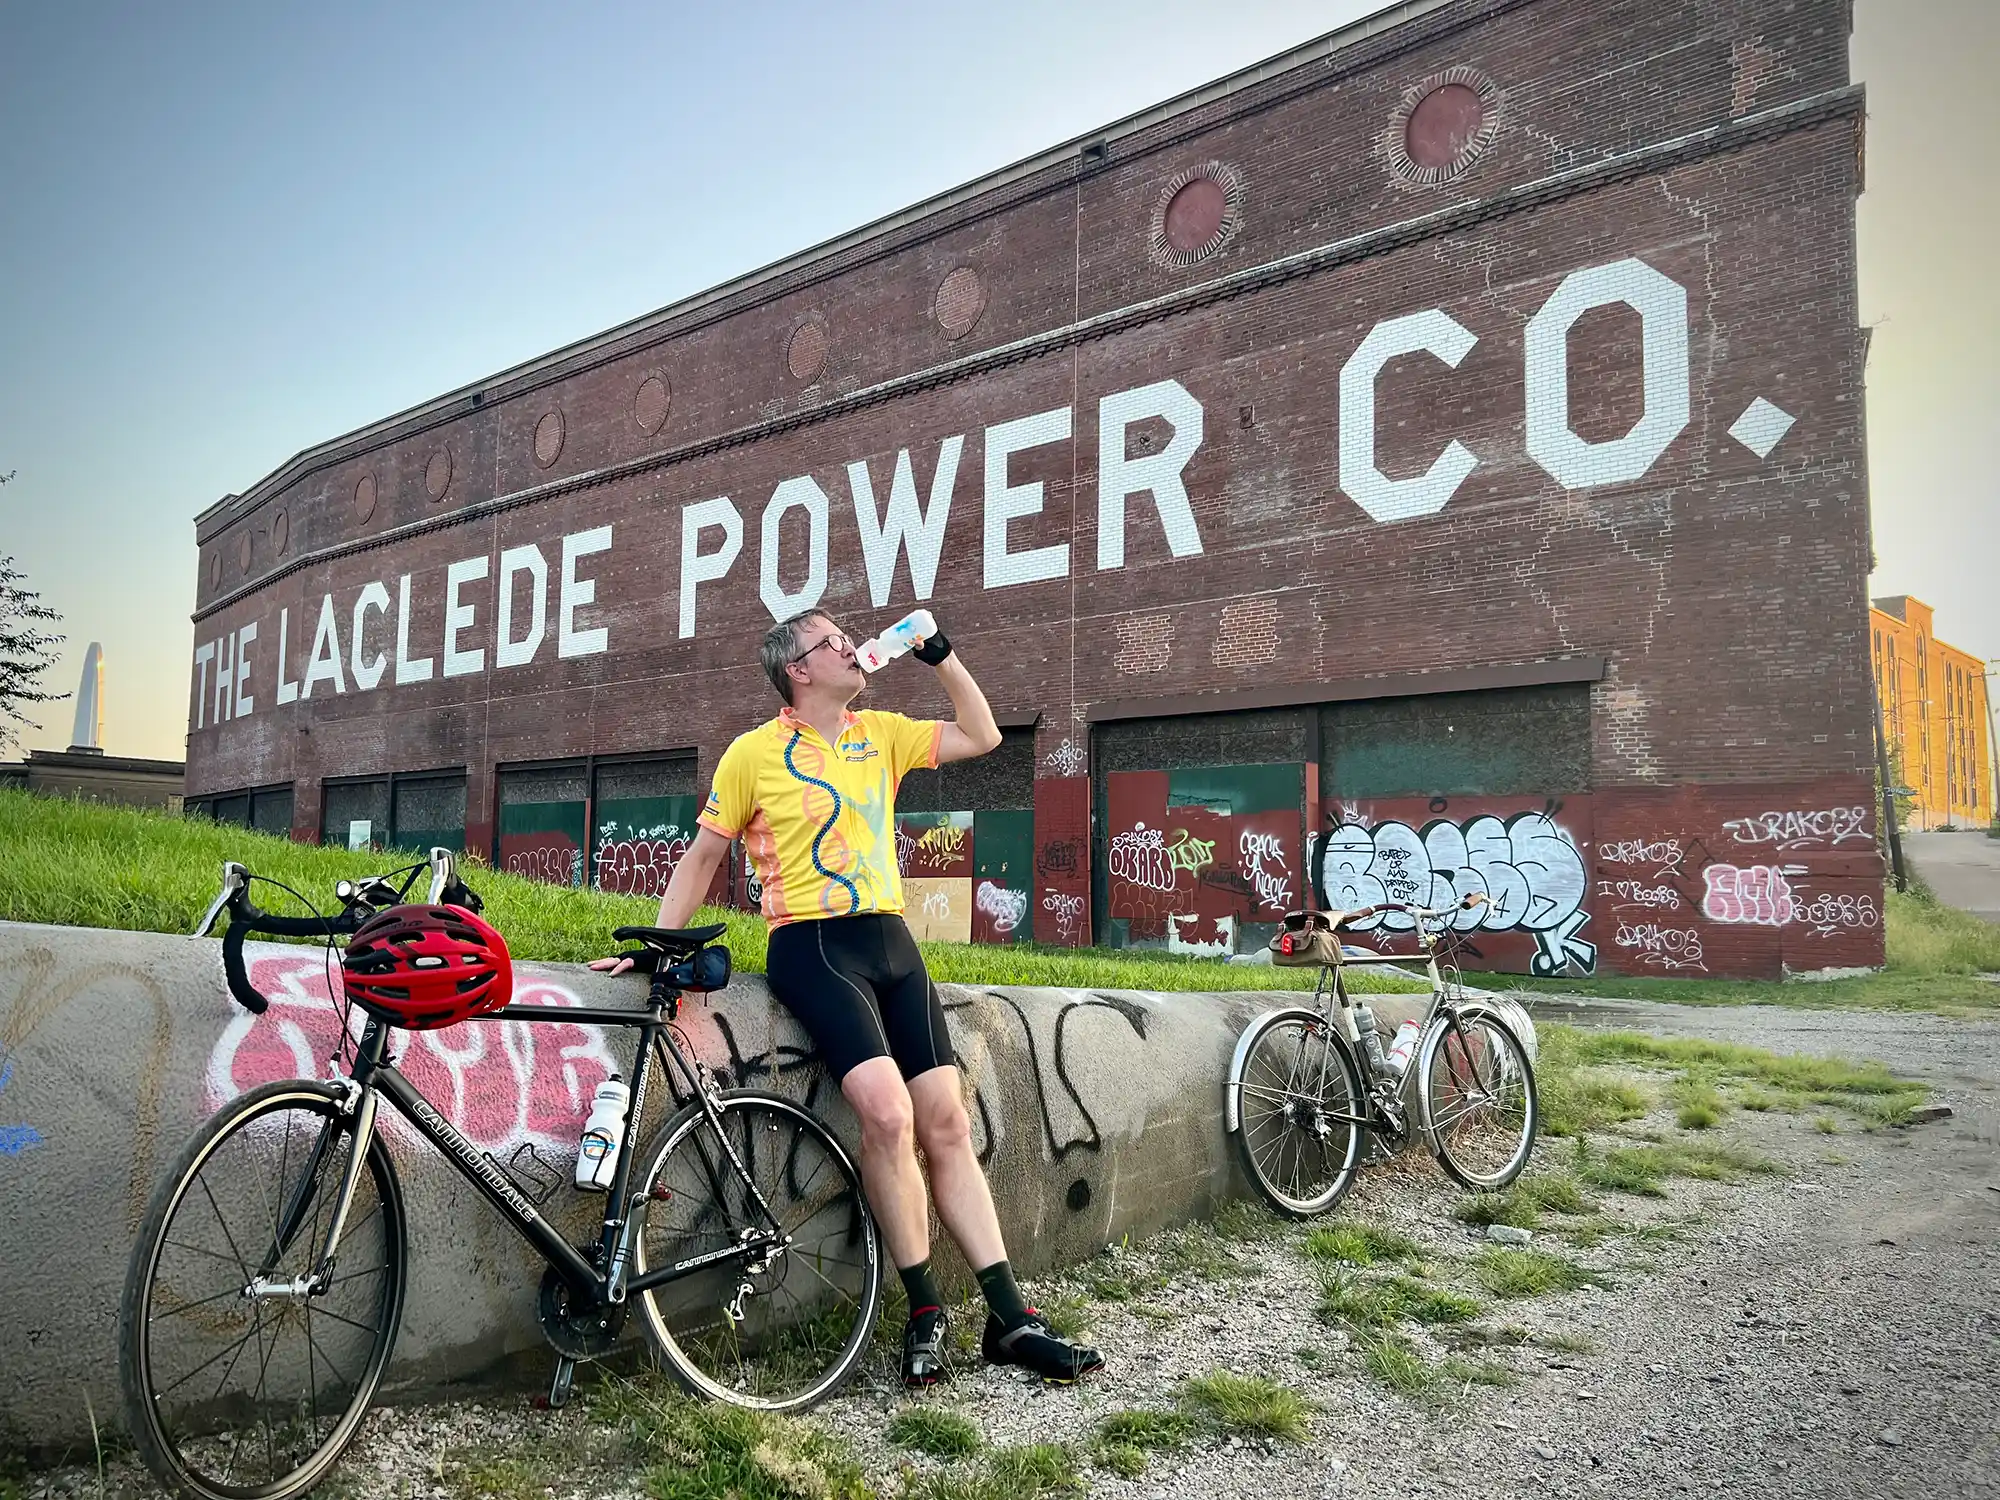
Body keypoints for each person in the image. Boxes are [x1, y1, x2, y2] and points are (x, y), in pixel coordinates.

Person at [592, 610, 1104, 1388]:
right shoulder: (752, 753)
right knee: (888, 1114)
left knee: (946, 1122)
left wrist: (939, 652)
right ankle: (925, 1309)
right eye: (833, 641)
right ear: (798, 669)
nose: (853, 646)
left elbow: (984, 734)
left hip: (891, 945)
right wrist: (658, 943)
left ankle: (1011, 1317)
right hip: (813, 946)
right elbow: (703, 855)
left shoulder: (882, 733)